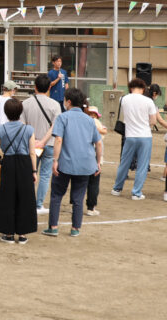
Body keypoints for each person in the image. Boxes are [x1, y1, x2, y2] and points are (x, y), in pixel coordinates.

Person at [42, 89, 102, 237]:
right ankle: (75, 228)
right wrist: (98, 162)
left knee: (56, 195)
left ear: (68, 102)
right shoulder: (89, 119)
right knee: (78, 197)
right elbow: (98, 143)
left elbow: (58, 139)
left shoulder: (63, 118)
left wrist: (55, 160)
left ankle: (53, 226)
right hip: (85, 163)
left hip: (65, 163)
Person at [0, 98, 37, 244]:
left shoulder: (0, 129)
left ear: (5, 112)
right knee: (25, 197)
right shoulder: (28, 129)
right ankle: (22, 234)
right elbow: (32, 152)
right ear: (21, 112)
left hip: (8, 163)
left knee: (7, 197)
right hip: (24, 163)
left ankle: (8, 233)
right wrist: (34, 171)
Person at [21, 74, 61, 215]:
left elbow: (22, 125)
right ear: (49, 87)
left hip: (30, 145)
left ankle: (28, 203)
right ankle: (39, 205)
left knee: (30, 174)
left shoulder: (25, 104)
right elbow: (55, 126)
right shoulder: (55, 105)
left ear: (35, 87)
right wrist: (44, 141)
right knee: (45, 175)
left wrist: (35, 141)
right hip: (48, 144)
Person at [112, 78, 157, 200]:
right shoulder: (149, 101)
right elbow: (153, 121)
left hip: (130, 135)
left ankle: (117, 188)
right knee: (142, 165)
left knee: (124, 163)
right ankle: (136, 193)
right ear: (143, 89)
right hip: (145, 136)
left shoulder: (124, 99)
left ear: (131, 88)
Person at [84, 105, 107, 216]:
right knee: (94, 182)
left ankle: (76, 203)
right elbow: (102, 132)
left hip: (83, 152)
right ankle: (91, 207)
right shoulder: (96, 122)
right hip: (94, 151)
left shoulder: (83, 121)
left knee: (80, 182)